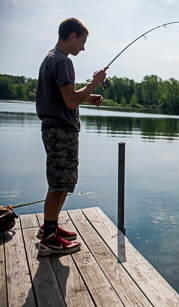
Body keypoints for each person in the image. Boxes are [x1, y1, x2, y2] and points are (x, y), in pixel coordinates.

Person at [35, 18, 107, 256]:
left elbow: (65, 95)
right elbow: (70, 101)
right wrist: (94, 83)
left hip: (54, 129)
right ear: (72, 36)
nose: (83, 48)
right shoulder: (63, 62)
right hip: (61, 132)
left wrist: (90, 95)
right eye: (83, 42)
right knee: (58, 186)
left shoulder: (50, 58)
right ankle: (49, 239)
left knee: (62, 182)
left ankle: (50, 227)